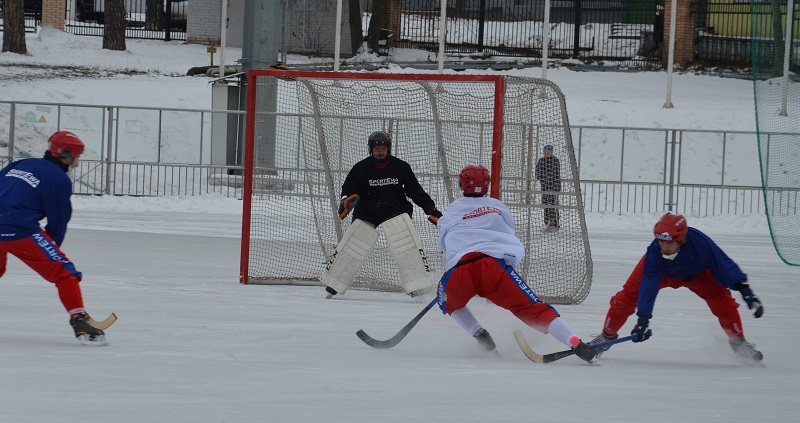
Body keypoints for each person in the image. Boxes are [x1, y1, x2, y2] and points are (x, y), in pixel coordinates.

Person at [435, 164, 597, 363]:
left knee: (447, 301)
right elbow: (507, 232)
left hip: (461, 269)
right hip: (493, 267)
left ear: (461, 184)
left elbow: (443, 243)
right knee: (532, 307)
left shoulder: (451, 210)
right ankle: (575, 342)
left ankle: (480, 336)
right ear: (486, 186)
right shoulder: (498, 206)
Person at [588, 212, 764, 363]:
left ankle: (739, 342)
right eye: (660, 242)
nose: (664, 247)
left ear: (681, 239)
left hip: (697, 275)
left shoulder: (701, 244)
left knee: (721, 298)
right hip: (662, 273)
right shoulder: (654, 253)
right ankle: (605, 337)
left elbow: (723, 264)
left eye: (669, 243)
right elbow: (648, 285)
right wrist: (643, 320)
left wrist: (745, 290)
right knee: (627, 295)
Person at [0, 130, 109, 346]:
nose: (77, 163)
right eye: (77, 157)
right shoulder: (59, 179)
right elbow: (58, 221)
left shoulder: (21, 164)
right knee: (64, 271)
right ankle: (80, 321)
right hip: (20, 229)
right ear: (66, 155)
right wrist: (51, 249)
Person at [322, 131, 442, 298]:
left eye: (383, 148)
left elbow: (416, 192)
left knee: (406, 244)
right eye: (376, 148)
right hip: (367, 211)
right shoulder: (361, 168)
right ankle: (335, 282)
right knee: (353, 242)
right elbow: (347, 191)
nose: (380, 152)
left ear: (389, 149)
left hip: (396, 210)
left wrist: (431, 210)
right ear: (371, 150)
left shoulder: (401, 167)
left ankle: (416, 284)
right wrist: (346, 201)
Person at [535, 144, 561, 232]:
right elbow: (538, 173)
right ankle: (547, 223)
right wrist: (543, 178)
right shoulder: (541, 161)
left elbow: (555, 174)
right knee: (546, 205)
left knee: (553, 205)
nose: (546, 153)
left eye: (548, 152)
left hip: (553, 187)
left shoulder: (555, 161)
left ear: (551, 152)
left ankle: (555, 224)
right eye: (545, 152)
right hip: (545, 186)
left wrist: (552, 182)